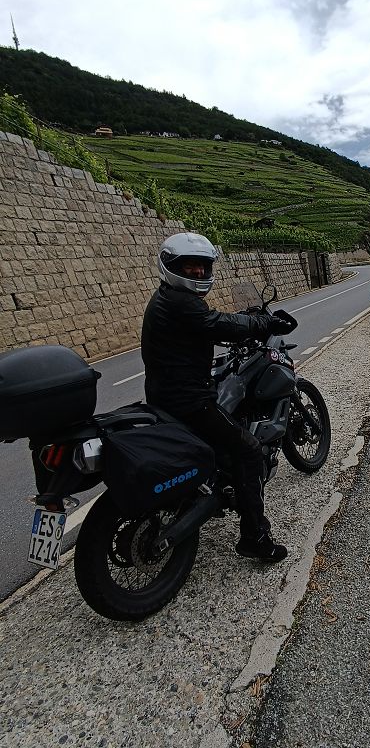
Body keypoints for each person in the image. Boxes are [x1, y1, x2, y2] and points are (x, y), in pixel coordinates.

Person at [141, 232, 295, 562]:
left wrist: (238, 322)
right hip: (189, 402)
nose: (198, 271)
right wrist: (264, 323)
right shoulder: (181, 302)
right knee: (249, 450)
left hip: (164, 395)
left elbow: (207, 325)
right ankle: (255, 537)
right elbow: (216, 323)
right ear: (171, 266)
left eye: (202, 266)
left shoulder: (167, 298)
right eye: (190, 266)